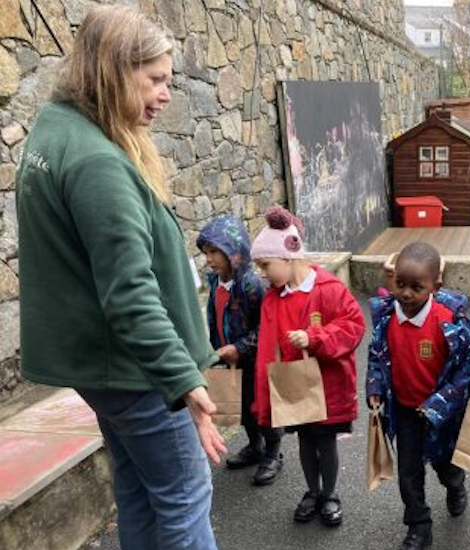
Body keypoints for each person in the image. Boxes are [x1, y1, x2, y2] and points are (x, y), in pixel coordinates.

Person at [16, 6, 225, 549]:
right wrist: (185, 380)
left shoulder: (56, 127)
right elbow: (129, 297)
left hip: (104, 367)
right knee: (184, 493)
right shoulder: (97, 163)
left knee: (139, 487)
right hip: (136, 371)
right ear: (111, 70)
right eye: (154, 79)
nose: (165, 95)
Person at [251, 206, 365, 527]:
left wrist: (315, 337)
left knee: (325, 443)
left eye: (265, 265)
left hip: (326, 388)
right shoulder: (274, 297)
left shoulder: (329, 290)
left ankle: (329, 493)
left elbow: (353, 326)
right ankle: (312, 491)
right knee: (304, 441)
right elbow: (266, 347)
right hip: (294, 386)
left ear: (288, 257)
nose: (263, 273)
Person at [366, 242, 470, 550]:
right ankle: (419, 526)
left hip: (441, 416)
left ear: (436, 285)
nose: (406, 294)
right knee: (408, 473)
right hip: (404, 411)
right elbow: (376, 355)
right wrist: (375, 388)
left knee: (446, 465)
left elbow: (466, 368)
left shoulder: (449, 322)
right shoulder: (387, 318)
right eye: (400, 284)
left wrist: (438, 406)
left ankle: (455, 486)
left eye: (416, 287)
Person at [197, 215, 285, 485]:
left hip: (254, 359)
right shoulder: (214, 282)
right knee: (243, 407)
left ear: (233, 252)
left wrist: (240, 346)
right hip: (230, 359)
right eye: (206, 252)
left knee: (261, 405)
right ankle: (255, 445)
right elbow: (215, 315)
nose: (209, 258)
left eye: (215, 252)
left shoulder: (250, 285)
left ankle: (273, 452)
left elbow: (266, 326)